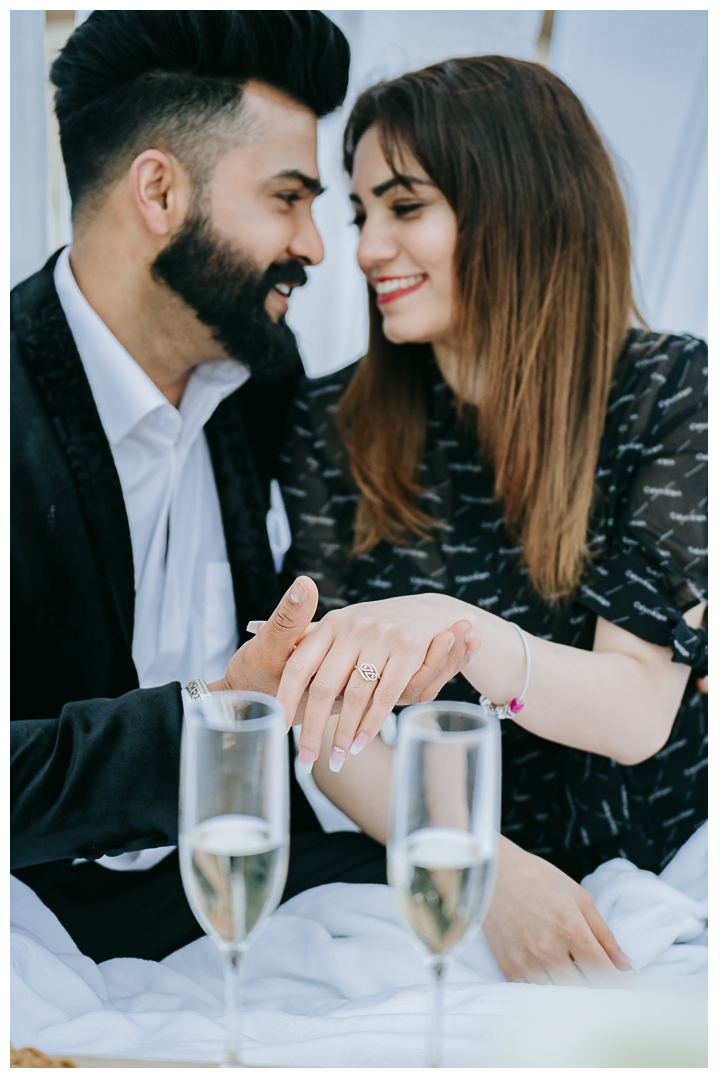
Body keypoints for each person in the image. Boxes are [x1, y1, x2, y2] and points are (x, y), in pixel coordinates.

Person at [10, 11, 472, 964]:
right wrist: (214, 710)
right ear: (159, 191)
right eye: (289, 198)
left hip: (253, 880)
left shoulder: (263, 379)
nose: (317, 244)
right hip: (38, 928)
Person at [276, 55, 708, 985]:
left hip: (655, 878)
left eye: (404, 206)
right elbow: (331, 728)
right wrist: (481, 867)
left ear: (521, 203)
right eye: (363, 215)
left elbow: (637, 710)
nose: (363, 250)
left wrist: (459, 631)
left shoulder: (670, 392)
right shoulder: (326, 425)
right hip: (432, 880)